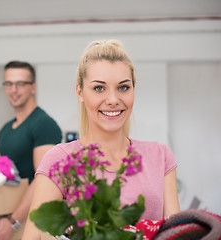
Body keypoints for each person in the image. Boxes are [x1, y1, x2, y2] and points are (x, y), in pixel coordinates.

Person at [22, 40, 180, 239]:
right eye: (99, 88)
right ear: (80, 92)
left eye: (123, 87)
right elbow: (33, 236)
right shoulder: (60, 159)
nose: (113, 99)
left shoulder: (160, 156)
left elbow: (177, 234)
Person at [0, 61, 62, 240]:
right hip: (7, 217)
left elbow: (44, 179)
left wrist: (13, 221)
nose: (13, 90)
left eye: (20, 84)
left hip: (31, 223)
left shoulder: (43, 124)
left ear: (33, 87)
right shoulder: (5, 129)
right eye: (9, 84)